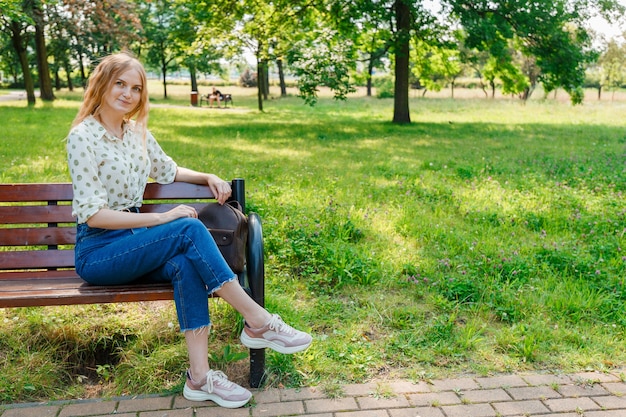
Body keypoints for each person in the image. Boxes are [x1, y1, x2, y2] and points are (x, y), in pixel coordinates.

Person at [66, 52, 312, 409]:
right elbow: (94, 216)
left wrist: (207, 176)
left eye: (136, 88)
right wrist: (162, 219)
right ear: (102, 84)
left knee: (186, 263)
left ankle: (199, 378)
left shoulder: (136, 134)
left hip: (135, 245)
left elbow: (168, 170)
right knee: (186, 228)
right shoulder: (82, 137)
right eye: (120, 83)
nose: (128, 93)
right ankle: (257, 320)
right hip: (100, 252)